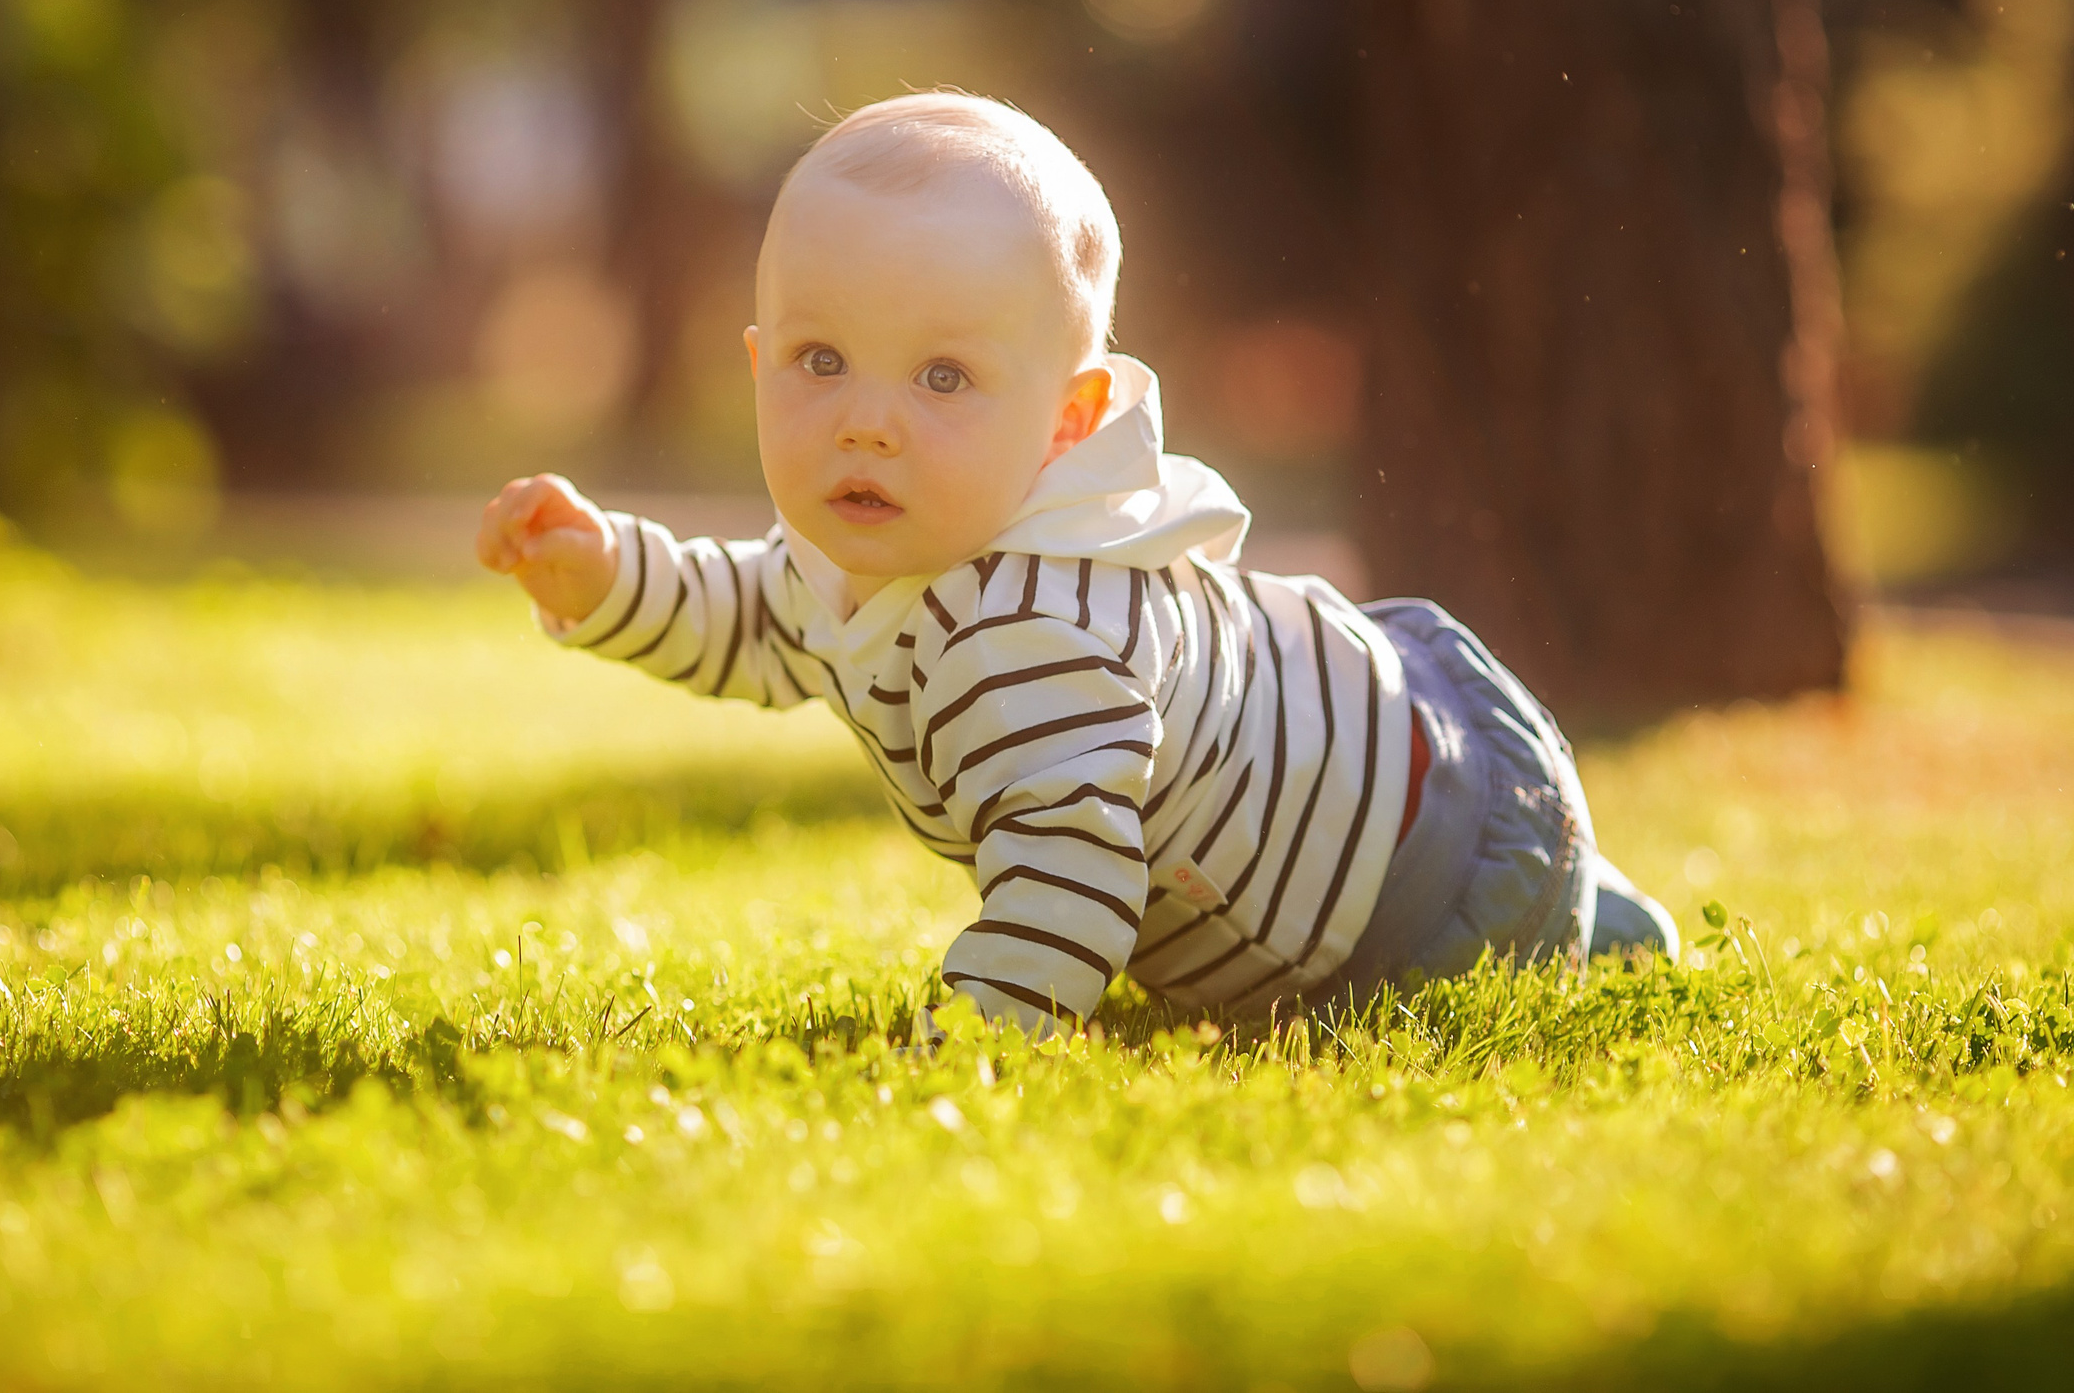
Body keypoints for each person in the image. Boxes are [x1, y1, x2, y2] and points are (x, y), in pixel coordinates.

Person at [475, 92, 1677, 1038]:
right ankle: (1606, 911)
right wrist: (606, 575)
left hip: (1417, 882)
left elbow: (1069, 882)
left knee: (1554, 942)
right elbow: (755, 614)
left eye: (941, 377)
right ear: (755, 363)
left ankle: (1592, 914)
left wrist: (974, 1039)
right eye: (819, 358)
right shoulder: (881, 542)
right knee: (1591, 917)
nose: (866, 420)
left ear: (1067, 416)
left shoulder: (1028, 630)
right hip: (1394, 742)